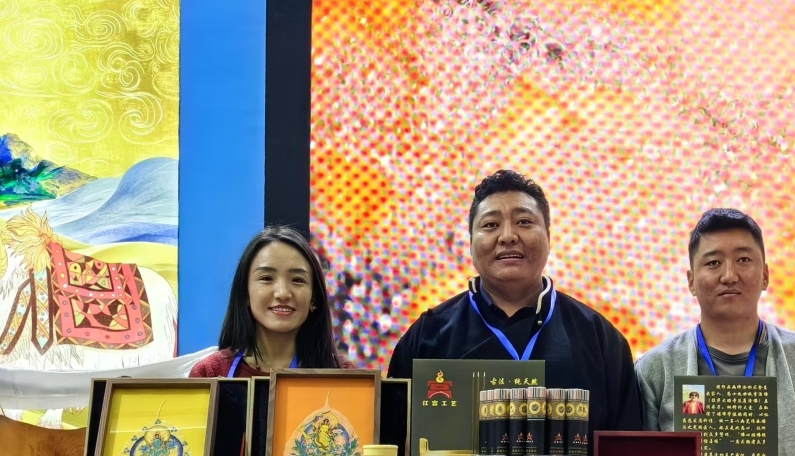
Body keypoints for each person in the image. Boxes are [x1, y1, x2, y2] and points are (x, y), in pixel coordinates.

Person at [388, 169, 642, 436]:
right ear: (471, 243)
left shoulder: (600, 339)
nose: (507, 236)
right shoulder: (427, 336)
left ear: (549, 237)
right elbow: (391, 444)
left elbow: (625, 450)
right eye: (490, 225)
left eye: (524, 222)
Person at [636, 208, 795, 456]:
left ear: (765, 275)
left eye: (743, 260)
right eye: (713, 263)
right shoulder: (656, 369)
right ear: (691, 281)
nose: (729, 276)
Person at [190, 226, 351, 378]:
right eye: (266, 278)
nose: (282, 293)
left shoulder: (344, 374)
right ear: (245, 294)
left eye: (297, 280)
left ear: (313, 298)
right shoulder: (209, 372)